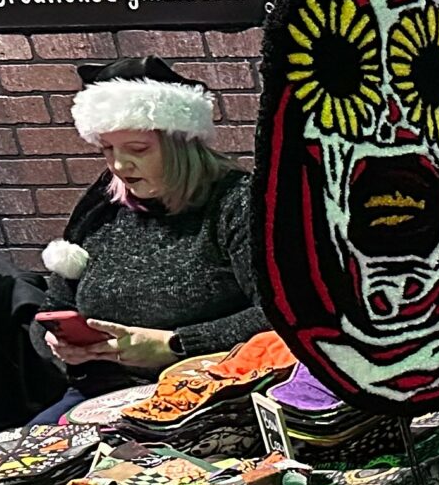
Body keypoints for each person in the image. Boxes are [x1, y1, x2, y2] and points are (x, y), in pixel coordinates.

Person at [35, 57, 267, 415]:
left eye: (137, 149)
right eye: (107, 149)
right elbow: (57, 302)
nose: (119, 166)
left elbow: (279, 314)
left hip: (206, 393)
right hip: (99, 393)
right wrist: (61, 340)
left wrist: (175, 344)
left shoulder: (236, 203)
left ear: (181, 144)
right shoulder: (104, 204)